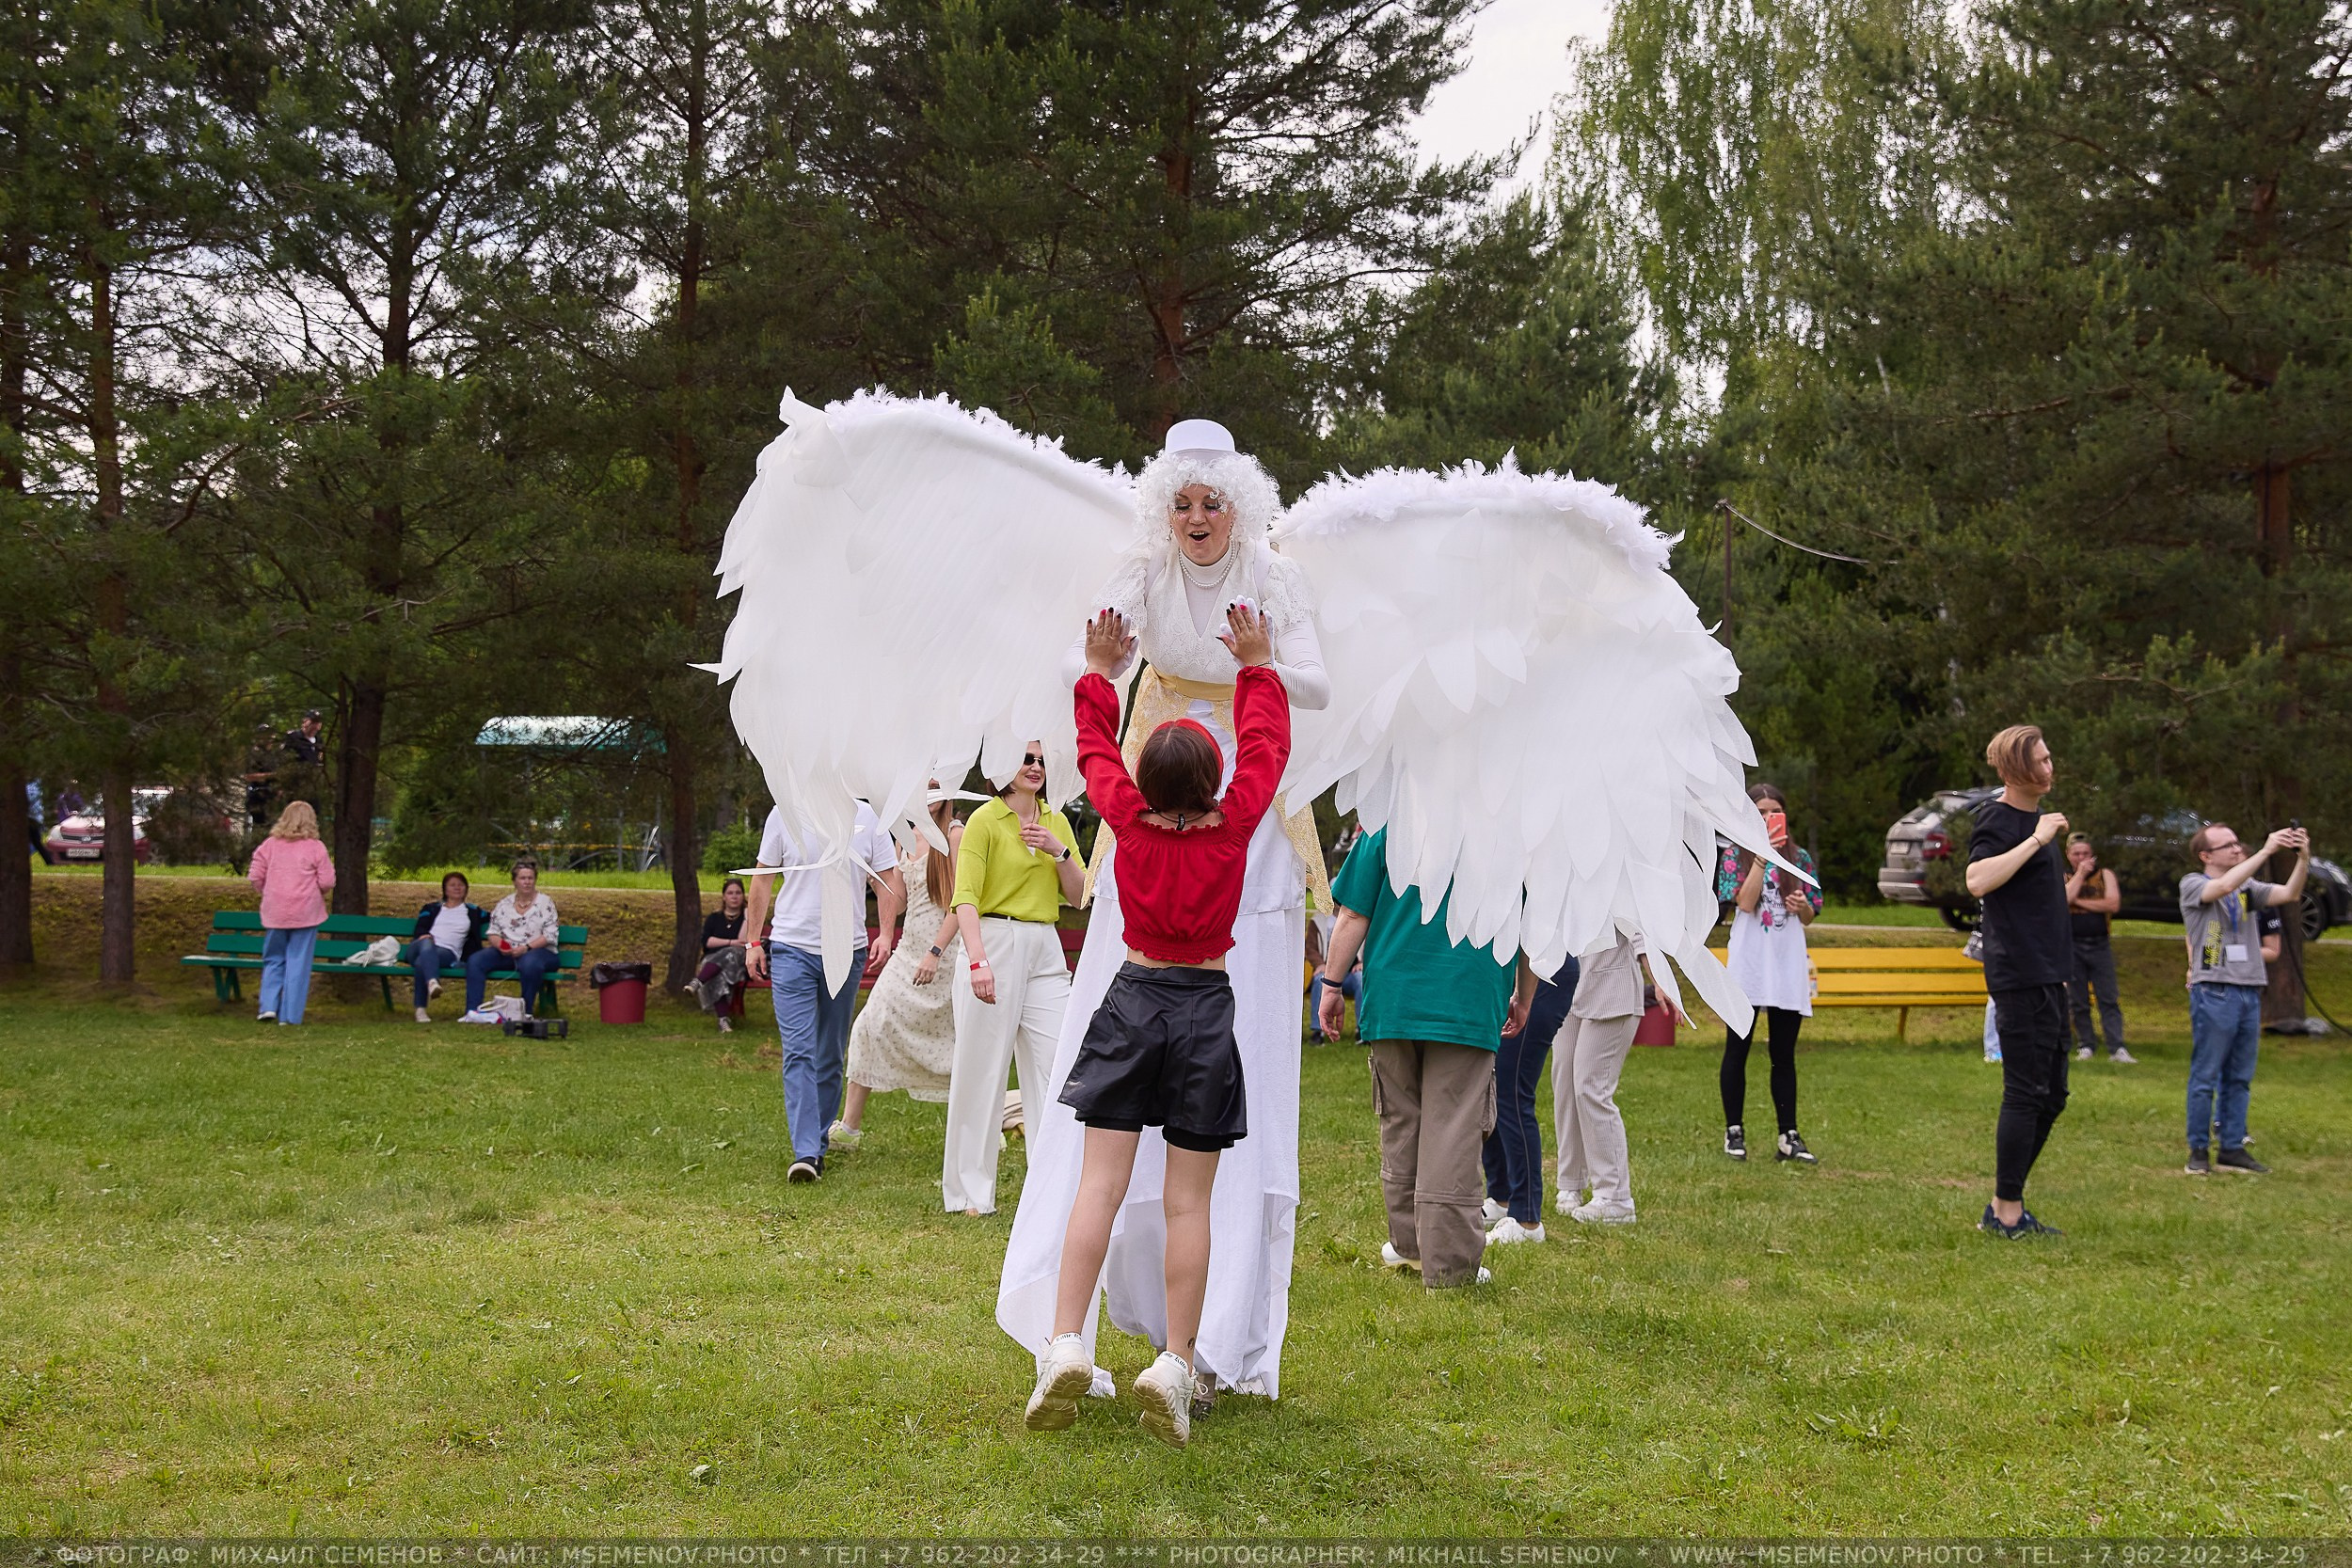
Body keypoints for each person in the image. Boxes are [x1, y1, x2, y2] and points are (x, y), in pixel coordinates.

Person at [1000, 417, 1331, 1406]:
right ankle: (1163, 1344)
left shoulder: (1273, 579)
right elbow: (1097, 675)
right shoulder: (1141, 572)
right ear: (1164, 507)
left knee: (1153, 1139)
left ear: (1240, 503)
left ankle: (1191, 1336)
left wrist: (1252, 659)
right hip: (1201, 793)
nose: (1195, 518)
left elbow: (1098, 733)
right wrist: (1239, 681)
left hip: (1209, 802)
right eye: (1181, 502)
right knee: (1174, 1159)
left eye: (1211, 501)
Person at [1024, 605, 1289, 1449]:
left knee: (1097, 1185)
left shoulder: (1126, 821)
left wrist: (1100, 670)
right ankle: (1174, 1362)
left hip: (1132, 1001)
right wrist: (1255, 663)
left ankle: (1065, 1341)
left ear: (1144, 783)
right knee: (1188, 1204)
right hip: (1203, 1011)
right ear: (1213, 783)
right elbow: (1269, 751)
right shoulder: (1234, 827)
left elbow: (1095, 748)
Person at [1320, 826, 1535, 1290]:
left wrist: (1332, 985)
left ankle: (1410, 1247)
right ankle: (1451, 1265)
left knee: (1401, 1122)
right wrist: (1524, 995)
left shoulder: (1385, 825)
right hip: (1469, 999)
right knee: (1454, 1128)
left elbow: (1353, 914)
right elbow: (1531, 925)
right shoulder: (1508, 832)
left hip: (1395, 998)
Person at [946, 743, 1082, 1214]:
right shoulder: (985, 821)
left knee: (1058, 1063)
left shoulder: (1057, 821)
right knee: (981, 1069)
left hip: (1046, 946)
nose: (1037, 767)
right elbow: (964, 897)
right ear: (1005, 766)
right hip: (994, 940)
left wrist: (1058, 850)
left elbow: (1080, 895)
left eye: (1043, 760)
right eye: (1027, 758)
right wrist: (978, 961)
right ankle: (970, 1192)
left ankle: (1052, 1192)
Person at [745, 801, 905, 1183]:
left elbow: (885, 879)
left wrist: (884, 933)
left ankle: (815, 1142)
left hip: (845, 951)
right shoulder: (784, 810)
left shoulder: (868, 818)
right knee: (799, 1051)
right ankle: (807, 1152)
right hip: (790, 947)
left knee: (830, 1053)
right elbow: (763, 877)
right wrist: (753, 940)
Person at [1965, 724, 2074, 1237]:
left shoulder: (2038, 824)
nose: (2051, 767)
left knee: (2053, 1095)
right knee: (2025, 1092)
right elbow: (1977, 880)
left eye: (2051, 759)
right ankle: (2007, 1212)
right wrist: (2037, 839)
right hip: (2018, 976)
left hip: (2051, 976)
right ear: (2016, 768)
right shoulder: (1999, 819)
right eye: (2043, 760)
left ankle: (2004, 1201)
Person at [2179, 821, 2309, 1175]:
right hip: (2215, 990)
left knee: (2239, 1077)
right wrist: (2266, 851)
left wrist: (2303, 858)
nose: (2237, 849)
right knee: (2206, 1075)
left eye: (2239, 844)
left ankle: (2232, 1148)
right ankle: (2199, 1150)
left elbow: (2288, 894)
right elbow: (2221, 888)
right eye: (2228, 846)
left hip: (2249, 989)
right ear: (2206, 855)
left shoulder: (2247, 890)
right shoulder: (2193, 884)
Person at [837, 788, 967, 1139]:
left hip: (946, 952)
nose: (931, 792)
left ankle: (978, 1129)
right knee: (868, 1025)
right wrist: (874, 877)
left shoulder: (955, 835)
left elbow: (963, 902)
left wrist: (936, 952)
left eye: (939, 784)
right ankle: (849, 1128)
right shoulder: (904, 837)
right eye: (925, 783)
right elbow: (901, 902)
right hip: (908, 950)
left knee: (960, 1047)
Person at [1715, 784, 1820, 1164]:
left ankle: (1788, 1136)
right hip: (1749, 966)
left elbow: (1811, 914)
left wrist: (1801, 905)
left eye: (1774, 811)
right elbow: (1743, 902)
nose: (1767, 818)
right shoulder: (1733, 856)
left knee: (1783, 1054)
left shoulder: (1801, 858)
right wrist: (1761, 858)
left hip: (1786, 965)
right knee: (1737, 1049)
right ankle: (1734, 1131)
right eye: (1759, 813)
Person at [1555, 935, 1676, 1226]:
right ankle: (1570, 1184)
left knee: (1590, 1088)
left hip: (1612, 989)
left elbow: (1640, 933)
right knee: (1565, 1086)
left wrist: (1660, 981)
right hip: (1567, 990)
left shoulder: (1623, 886)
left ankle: (1616, 1196)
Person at [1481, 955, 1578, 1243]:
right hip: (1515, 972)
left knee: (1512, 1090)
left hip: (1542, 972)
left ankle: (1527, 1219)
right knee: (1492, 1085)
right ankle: (1501, 1198)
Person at [246, 801, 335, 1025]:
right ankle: (290, 1015)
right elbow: (327, 881)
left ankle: (268, 1006)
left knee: (273, 958)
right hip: (306, 912)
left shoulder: (269, 845)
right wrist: (316, 891)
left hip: (276, 911)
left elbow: (255, 876)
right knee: (298, 962)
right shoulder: (315, 847)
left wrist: (269, 892)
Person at [2063, 833, 2132, 1063]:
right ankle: (2086, 1045)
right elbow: (2062, 901)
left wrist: (2079, 902)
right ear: (2068, 855)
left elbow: (2112, 904)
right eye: (2076, 854)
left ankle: (2116, 1047)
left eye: (2085, 853)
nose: (2082, 858)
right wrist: (2080, 875)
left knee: (2108, 997)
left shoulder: (2105, 875)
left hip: (2100, 944)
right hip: (2071, 944)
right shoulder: (2063, 876)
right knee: (2078, 1000)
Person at [466, 860, 564, 1017]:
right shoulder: (504, 904)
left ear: (535, 880)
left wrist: (526, 948)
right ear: (514, 881)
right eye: (522, 878)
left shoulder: (546, 903)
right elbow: (493, 932)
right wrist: (501, 946)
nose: (527, 882)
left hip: (539, 952)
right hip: (508, 952)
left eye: (530, 878)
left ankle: (525, 1013)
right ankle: (472, 1012)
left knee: (530, 962)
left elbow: (550, 935)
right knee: (476, 960)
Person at [403, 871, 486, 1022]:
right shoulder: (431, 908)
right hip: (419, 948)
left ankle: (421, 1010)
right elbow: (420, 928)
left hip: (447, 954)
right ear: (445, 889)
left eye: (461, 885)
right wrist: (423, 935)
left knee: (423, 962)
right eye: (452, 885)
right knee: (428, 943)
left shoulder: (473, 911)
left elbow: (498, 917)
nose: (457, 888)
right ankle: (432, 981)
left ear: (466, 889)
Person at [688, 876, 755, 1032]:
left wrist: (747, 917)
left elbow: (743, 941)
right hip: (713, 963)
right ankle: (723, 1022)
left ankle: (698, 981)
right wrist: (730, 942)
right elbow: (707, 942)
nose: (734, 896)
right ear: (724, 896)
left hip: (737, 964)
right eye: (730, 893)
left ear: (743, 896)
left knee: (732, 953)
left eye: (738, 893)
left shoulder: (746, 918)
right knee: (719, 975)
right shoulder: (714, 918)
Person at [1304, 915, 1360, 1042]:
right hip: (1327, 971)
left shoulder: (1357, 916)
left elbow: (1367, 942)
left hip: (1351, 972)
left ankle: (1362, 1030)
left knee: (1361, 979)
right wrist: (1319, 964)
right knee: (1320, 979)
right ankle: (1318, 1031)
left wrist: (1362, 962)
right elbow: (1310, 948)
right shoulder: (1318, 921)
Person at [243, 724, 280, 832]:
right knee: (261, 831)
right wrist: (271, 775)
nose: (270, 738)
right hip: (258, 797)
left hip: (272, 798)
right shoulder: (255, 754)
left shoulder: (273, 755)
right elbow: (249, 776)